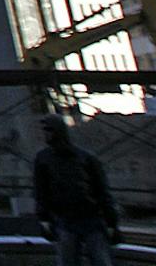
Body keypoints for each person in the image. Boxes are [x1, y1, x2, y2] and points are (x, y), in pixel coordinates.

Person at [34, 114, 119, 266]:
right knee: (69, 260)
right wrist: (44, 218)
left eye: (49, 130)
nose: (46, 134)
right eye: (44, 130)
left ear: (58, 132)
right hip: (65, 220)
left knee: (99, 260)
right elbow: (41, 192)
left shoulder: (85, 158)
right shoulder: (43, 159)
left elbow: (102, 191)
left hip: (91, 219)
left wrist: (111, 221)